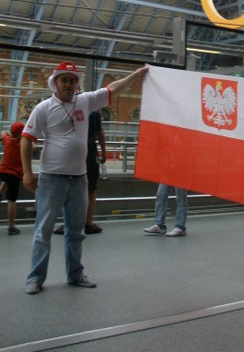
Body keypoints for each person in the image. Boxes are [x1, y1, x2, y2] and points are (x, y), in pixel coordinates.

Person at [21, 61, 149, 295]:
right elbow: (26, 138)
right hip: (51, 179)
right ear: (55, 82)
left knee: (76, 232)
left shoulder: (85, 101)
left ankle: (75, 274)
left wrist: (137, 74)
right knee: (43, 231)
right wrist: (27, 172)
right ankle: (35, 277)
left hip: (79, 179)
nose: (69, 84)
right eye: (64, 80)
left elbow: (113, 88)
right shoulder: (43, 108)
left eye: (72, 80)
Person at [53, 108, 107, 235]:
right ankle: (88, 222)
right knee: (91, 188)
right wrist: (103, 152)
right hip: (90, 151)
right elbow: (100, 132)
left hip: (72, 150)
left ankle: (68, 223)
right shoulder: (95, 111)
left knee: (68, 186)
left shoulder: (71, 107)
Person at [0, 122, 26, 235]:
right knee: (11, 200)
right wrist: (25, 138)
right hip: (15, 174)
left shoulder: (7, 140)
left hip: (3, 171)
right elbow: (33, 147)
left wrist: (8, 134)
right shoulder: (23, 145)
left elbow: (2, 133)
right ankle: (11, 226)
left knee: (6, 179)